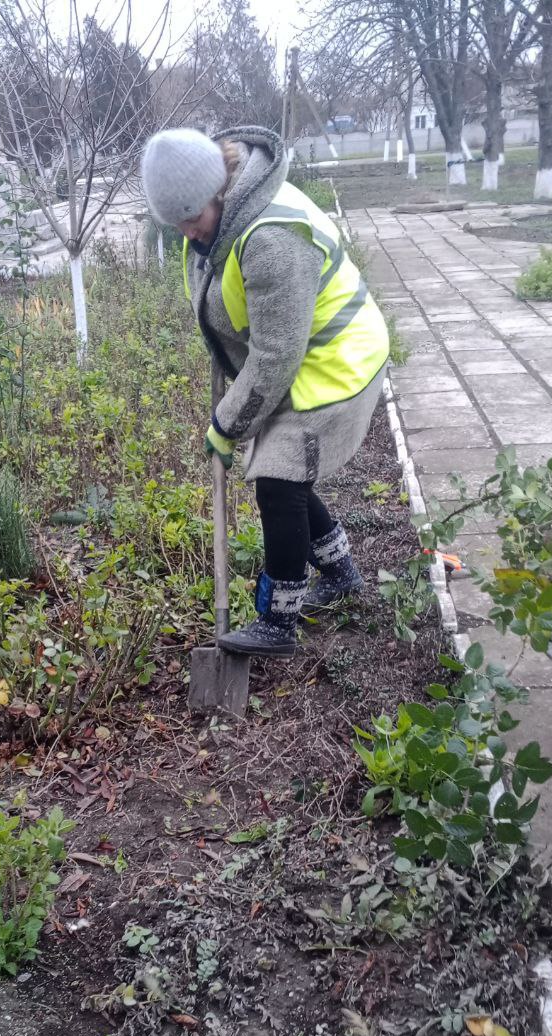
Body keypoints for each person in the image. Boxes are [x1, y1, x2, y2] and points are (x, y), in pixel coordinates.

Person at [140, 125, 390, 657]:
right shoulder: (224, 217)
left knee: (277, 480)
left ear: (218, 191)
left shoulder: (271, 237)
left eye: (192, 219)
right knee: (285, 470)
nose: (188, 233)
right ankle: (341, 571)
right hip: (303, 352)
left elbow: (276, 357)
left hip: (338, 356)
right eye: (177, 223)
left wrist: (227, 424)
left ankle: (280, 620)